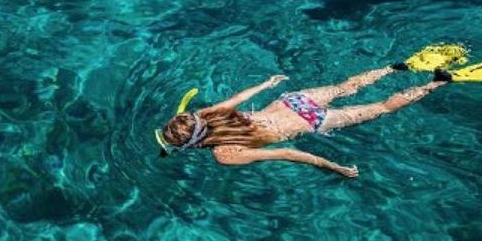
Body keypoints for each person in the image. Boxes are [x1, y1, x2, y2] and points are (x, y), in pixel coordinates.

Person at [156, 66, 453, 178]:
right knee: (346, 86)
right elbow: (234, 100)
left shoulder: (225, 154)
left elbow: (287, 153)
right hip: (293, 100)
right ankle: (396, 66)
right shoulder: (208, 114)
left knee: (383, 107)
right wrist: (266, 84)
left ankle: (437, 83)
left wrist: (335, 167)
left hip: (313, 120)